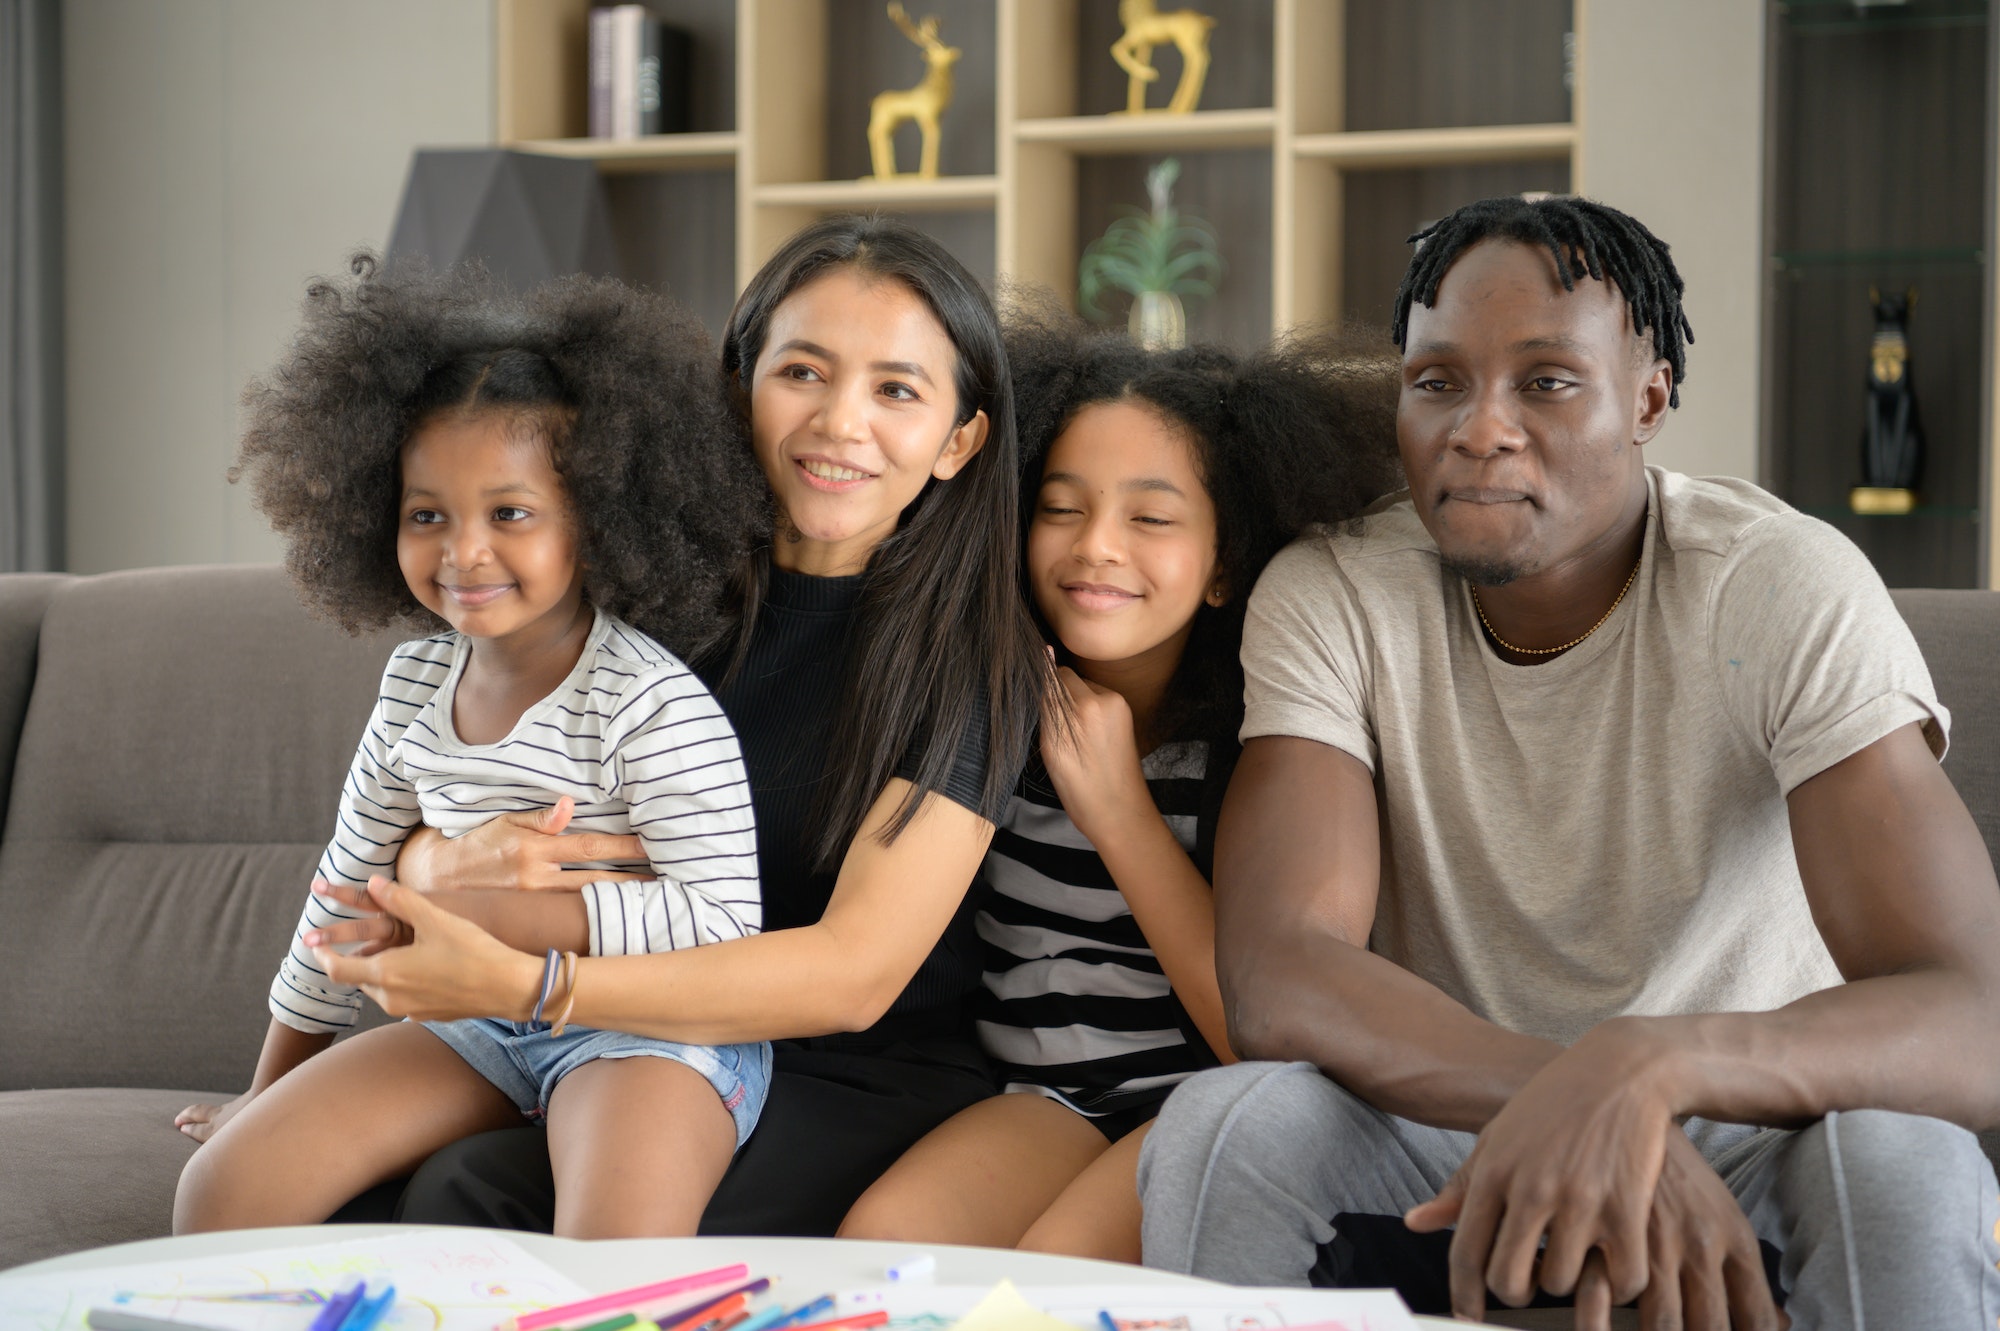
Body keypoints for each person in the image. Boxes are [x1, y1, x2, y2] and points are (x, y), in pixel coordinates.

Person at [1136, 195, 2000, 1331]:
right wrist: (1577, 1093)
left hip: (1753, 1121)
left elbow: (1968, 1013)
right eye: (1435, 380)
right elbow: (1278, 970)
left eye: (1545, 381)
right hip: (1448, 1110)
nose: (1477, 427)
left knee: (1901, 1160)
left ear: (1646, 399)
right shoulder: (1336, 590)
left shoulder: (1780, 582)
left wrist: (1647, 1070)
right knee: (1227, 1125)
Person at [295, 215, 1050, 1236]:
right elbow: (449, 790)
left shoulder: (968, 662)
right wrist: (431, 871)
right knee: (377, 1185)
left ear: (959, 438)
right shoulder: (633, 595)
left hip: (847, 1066)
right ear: (736, 387)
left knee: (477, 1191)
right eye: (802, 372)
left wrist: (533, 978)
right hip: (603, 1027)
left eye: (896, 390)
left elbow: (855, 973)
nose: (839, 421)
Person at [172, 259, 773, 1237]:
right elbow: (346, 886)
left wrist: (498, 912)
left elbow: (721, 923)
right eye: (426, 515)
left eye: (510, 513)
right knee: (221, 1194)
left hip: (647, 1031)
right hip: (472, 1021)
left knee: (610, 1261)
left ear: (597, 513)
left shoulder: (651, 702)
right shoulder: (414, 683)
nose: (463, 552)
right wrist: (265, 1088)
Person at [839, 314, 1400, 1261]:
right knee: (882, 1251)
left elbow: (1257, 1029)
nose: (1096, 546)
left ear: (1223, 565)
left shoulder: (1261, 747)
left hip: (1206, 1095)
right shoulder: (989, 715)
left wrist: (1116, 809)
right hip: (1045, 1095)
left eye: (1150, 517)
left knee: (1051, 1280)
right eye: (1061, 508)